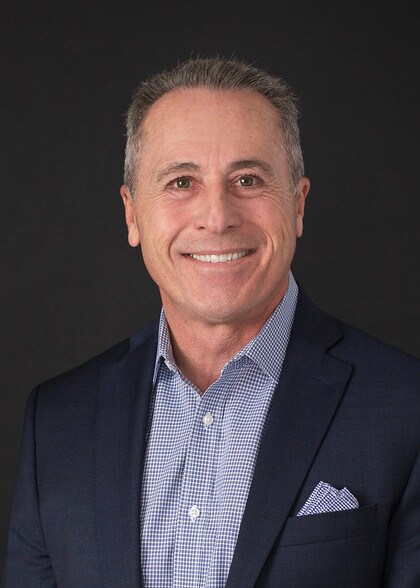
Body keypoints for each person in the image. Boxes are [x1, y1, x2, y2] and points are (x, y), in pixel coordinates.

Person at [2, 57, 419, 588]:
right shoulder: (57, 421)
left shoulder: (407, 408)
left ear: (297, 205)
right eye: (181, 182)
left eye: (247, 179)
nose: (217, 217)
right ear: (132, 213)